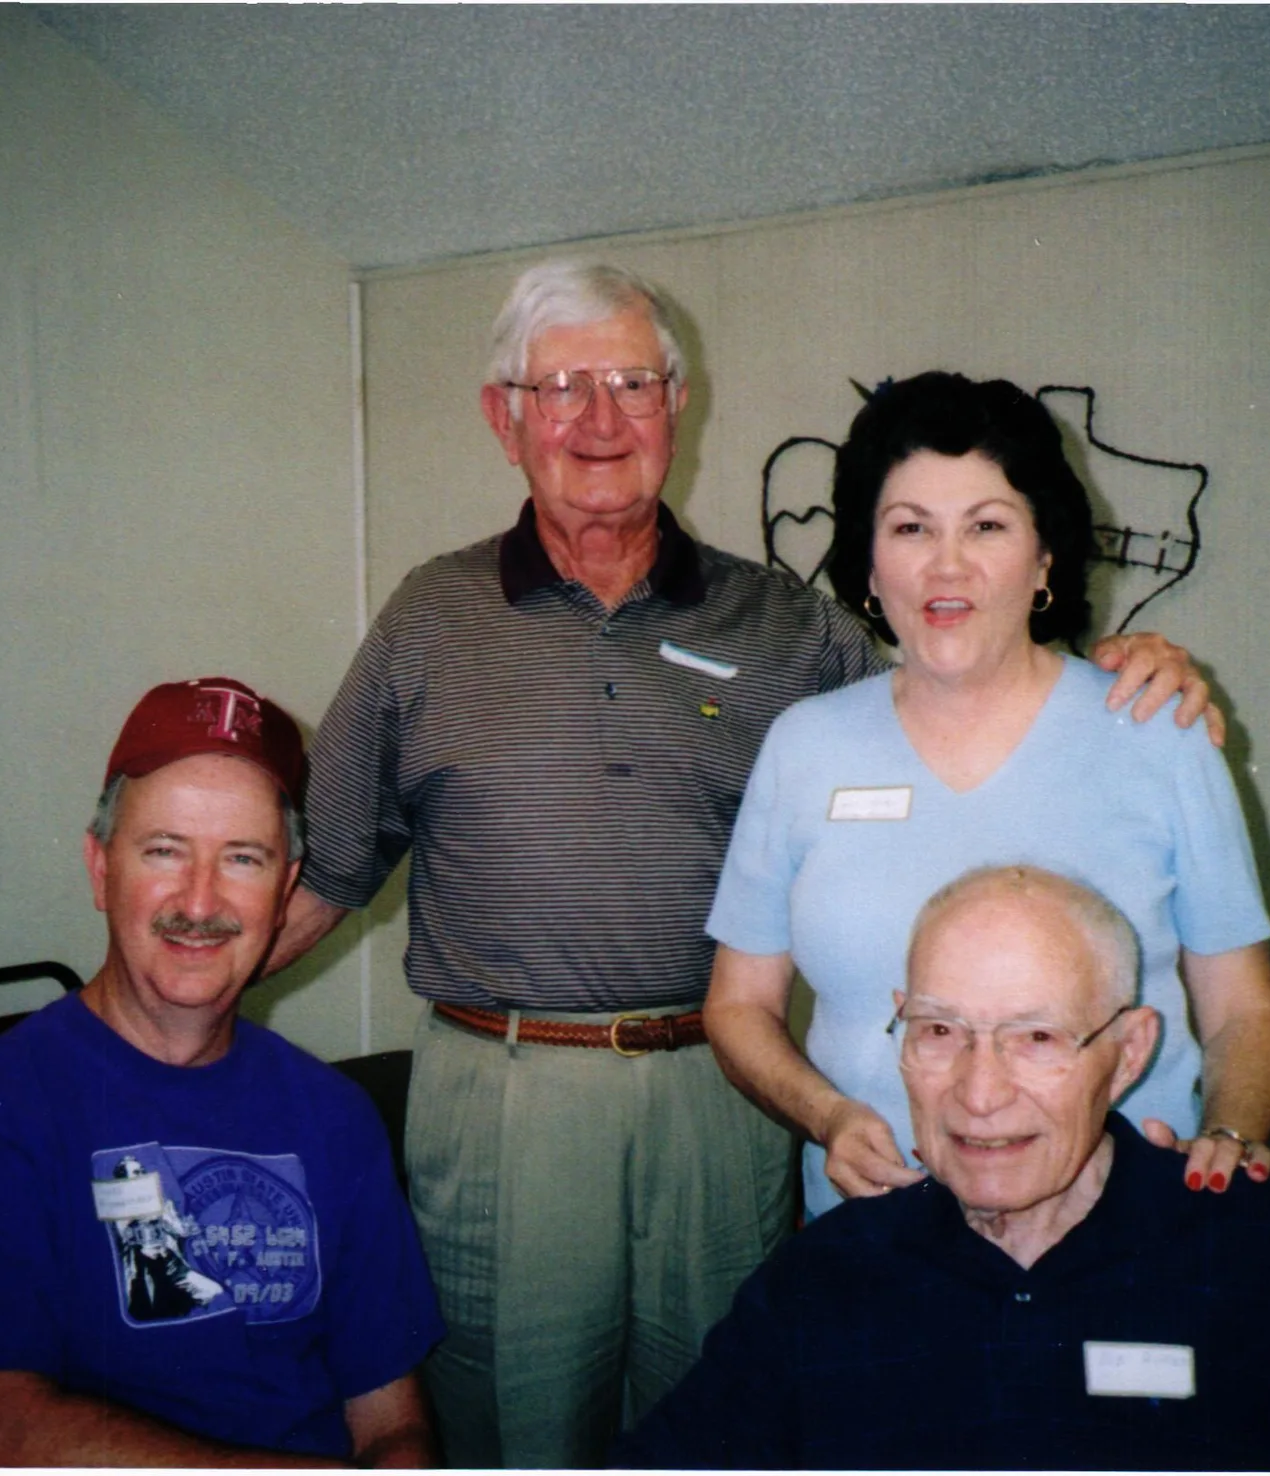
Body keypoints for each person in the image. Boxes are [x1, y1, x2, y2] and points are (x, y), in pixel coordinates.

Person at [265, 262, 1216, 1468]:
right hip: (507, 1095)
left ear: (677, 406)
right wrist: (154, 1022)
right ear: (504, 417)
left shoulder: (786, 624)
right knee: (516, 1434)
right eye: (561, 388)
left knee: (735, 1422)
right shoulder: (427, 618)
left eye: (631, 383)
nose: (599, 419)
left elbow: (955, 723)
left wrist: (1120, 669)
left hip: (724, 1099)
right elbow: (328, 870)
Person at [616, 866, 1270, 1470]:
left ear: (1128, 1052)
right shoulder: (822, 1282)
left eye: (1036, 1038)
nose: (979, 1093)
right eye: (940, 1031)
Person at [705, 370, 1270, 1226]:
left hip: (1123, 1226)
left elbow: (1243, 1008)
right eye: (911, 528)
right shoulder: (805, 747)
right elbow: (738, 1006)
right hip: (879, 1229)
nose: (947, 565)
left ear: (1044, 555)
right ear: (868, 562)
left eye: (986, 525)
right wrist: (825, 1116)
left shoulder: (1156, 731)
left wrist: (1231, 1133)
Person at [0, 678, 440, 1466]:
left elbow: (394, 1426)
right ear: (100, 869)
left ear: (285, 892)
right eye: (164, 851)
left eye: (243, 858)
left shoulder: (337, 1119)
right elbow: (3, 1439)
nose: (199, 902)